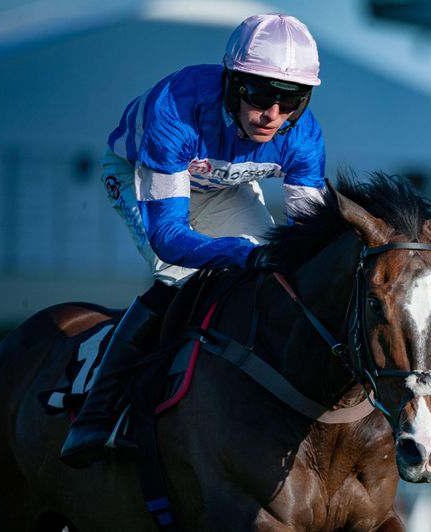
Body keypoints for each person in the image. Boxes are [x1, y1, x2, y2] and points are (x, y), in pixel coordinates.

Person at [60, 13, 326, 468]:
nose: (273, 115)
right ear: (232, 81)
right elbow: (169, 237)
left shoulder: (303, 136)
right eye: (261, 94)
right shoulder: (176, 109)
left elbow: (308, 244)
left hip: (221, 186)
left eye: (292, 100)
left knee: (282, 277)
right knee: (180, 278)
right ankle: (97, 409)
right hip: (140, 176)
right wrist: (244, 251)